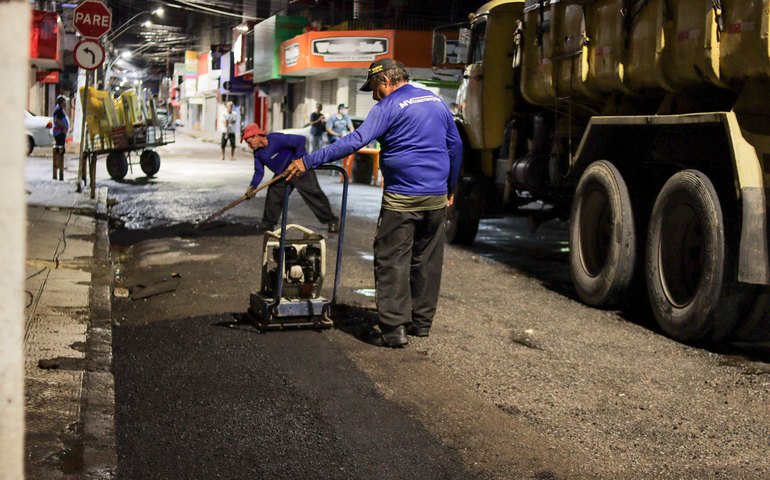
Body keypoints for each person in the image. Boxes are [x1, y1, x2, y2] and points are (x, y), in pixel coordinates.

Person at [284, 59, 462, 348]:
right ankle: (421, 323)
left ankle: (393, 330)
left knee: (392, 260)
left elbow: (355, 141)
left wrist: (308, 161)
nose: (374, 96)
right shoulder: (435, 101)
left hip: (402, 199)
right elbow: (455, 146)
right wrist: (451, 187)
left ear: (384, 81)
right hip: (436, 197)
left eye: (374, 89)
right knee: (427, 260)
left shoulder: (388, 106)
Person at [241, 123, 340, 233]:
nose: (249, 145)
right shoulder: (258, 153)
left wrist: (297, 160)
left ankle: (332, 220)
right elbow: (259, 171)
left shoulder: (276, 139)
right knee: (273, 194)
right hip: (283, 175)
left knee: (315, 195)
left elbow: (300, 140)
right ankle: (268, 223)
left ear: (256, 136)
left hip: (301, 171)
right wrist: (253, 186)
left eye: (249, 142)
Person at [52, 95, 69, 181]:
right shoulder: (58, 110)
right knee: (60, 150)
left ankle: (59, 165)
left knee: (60, 150)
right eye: (64, 101)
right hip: (59, 133)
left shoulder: (59, 109)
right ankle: (59, 166)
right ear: (61, 102)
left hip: (60, 132)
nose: (65, 103)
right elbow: (57, 120)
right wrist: (64, 128)